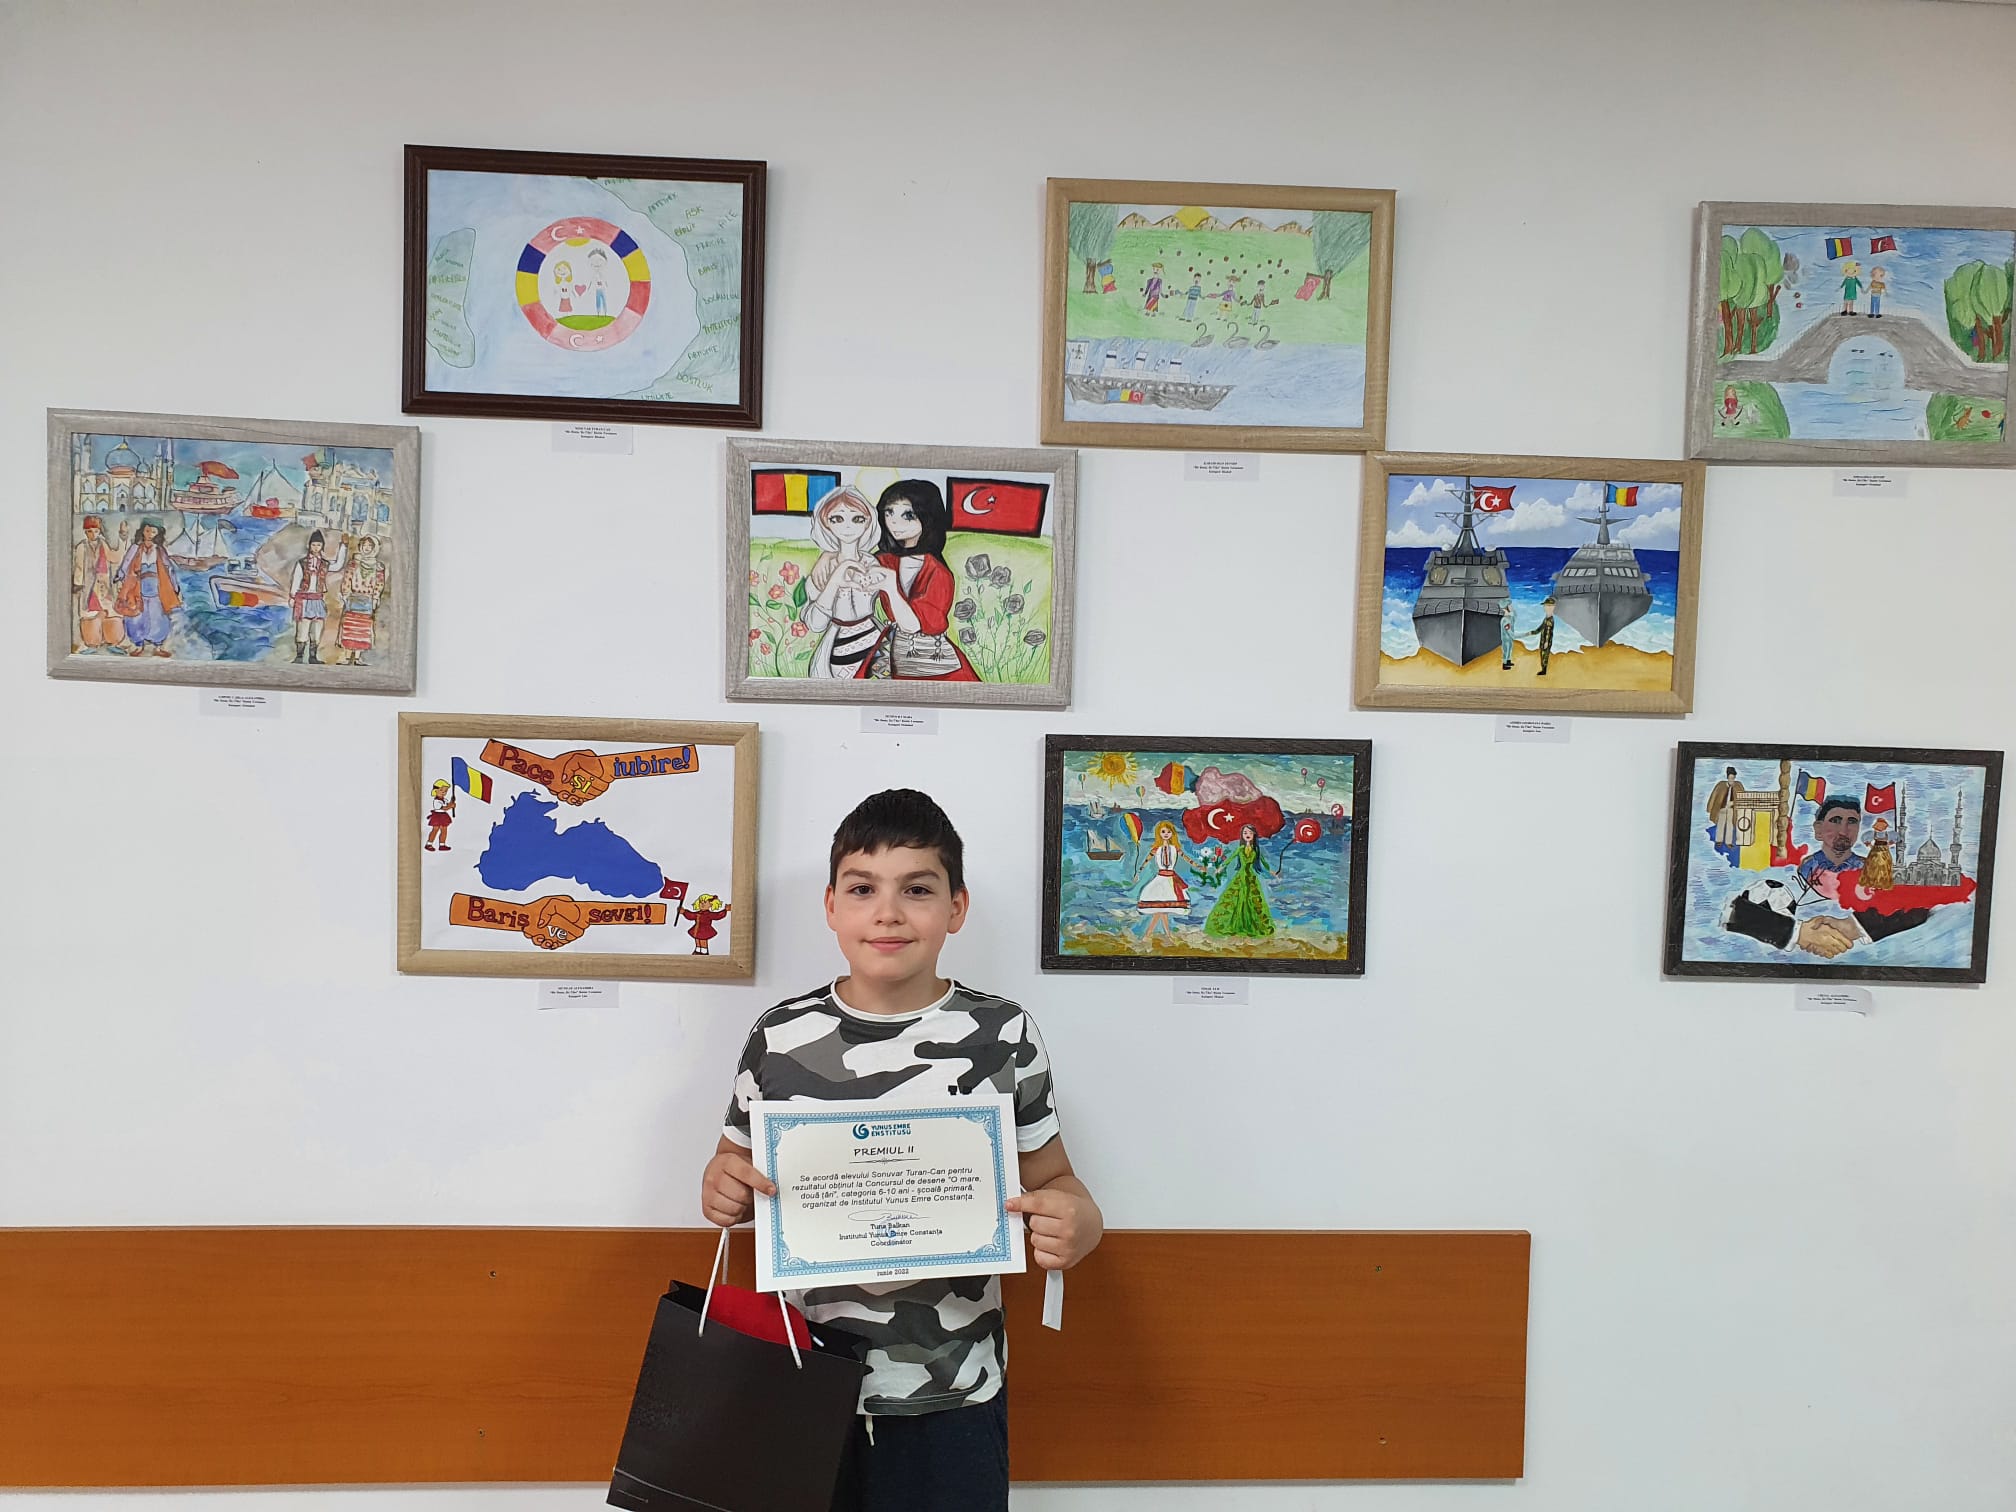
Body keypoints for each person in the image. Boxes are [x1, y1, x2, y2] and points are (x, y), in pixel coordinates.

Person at [700, 790, 1102, 1512]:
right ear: (831, 906)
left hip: (954, 1393)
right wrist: (723, 1192)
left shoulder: (1003, 1034)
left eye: (917, 889)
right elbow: (729, 1170)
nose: (888, 913)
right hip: (799, 1383)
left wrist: (1079, 1223)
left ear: (956, 908)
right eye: (863, 889)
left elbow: (1058, 1180)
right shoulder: (779, 1037)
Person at [858, 480, 979, 682]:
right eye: (889, 513)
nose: (894, 522)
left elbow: (913, 625)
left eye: (908, 515)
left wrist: (890, 587)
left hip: (931, 662)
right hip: (892, 652)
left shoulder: (938, 572)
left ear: (928, 518)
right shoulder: (884, 560)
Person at [801, 485, 884, 678]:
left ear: (868, 522)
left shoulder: (873, 562)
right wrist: (836, 578)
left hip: (875, 641)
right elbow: (815, 624)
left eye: (857, 519)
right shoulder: (823, 568)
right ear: (825, 522)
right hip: (839, 646)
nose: (847, 526)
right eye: (837, 519)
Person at [112, 519, 180, 657]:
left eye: (153, 531)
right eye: (147, 531)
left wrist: (175, 586)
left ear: (157, 534)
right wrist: (119, 576)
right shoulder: (135, 548)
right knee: (136, 617)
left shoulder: (160, 550)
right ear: (142, 531)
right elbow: (126, 563)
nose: (149, 534)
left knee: (158, 617)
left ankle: (158, 646)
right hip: (137, 588)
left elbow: (169, 569)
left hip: (157, 589)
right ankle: (138, 645)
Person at [1204, 821, 1277, 939]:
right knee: (1236, 899)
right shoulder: (1240, 848)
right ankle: (1236, 925)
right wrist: (1221, 867)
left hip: (1250, 878)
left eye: (1250, 833)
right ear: (1242, 835)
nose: (1247, 835)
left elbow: (1263, 862)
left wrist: (1271, 871)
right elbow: (1230, 858)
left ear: (1254, 835)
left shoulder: (1256, 850)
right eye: (1245, 833)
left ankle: (1249, 925)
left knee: (1251, 901)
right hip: (1241, 876)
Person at [287, 529, 348, 664]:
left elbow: (338, 565)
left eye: (318, 545)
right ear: (309, 546)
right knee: (303, 628)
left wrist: (343, 547)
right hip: (304, 599)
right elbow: (296, 579)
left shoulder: (324, 564)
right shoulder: (302, 563)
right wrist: (292, 596)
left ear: (322, 546)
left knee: (317, 628)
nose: (316, 547)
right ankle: (299, 656)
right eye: (313, 545)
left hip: (317, 599)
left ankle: (313, 656)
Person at [72, 514, 125, 652]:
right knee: (90, 613)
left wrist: (123, 538)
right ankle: (92, 644)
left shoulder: (103, 543)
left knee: (110, 612)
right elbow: (79, 567)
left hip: (104, 584)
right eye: (90, 531)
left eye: (96, 531)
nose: (93, 534)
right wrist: (77, 583)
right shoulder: (82, 547)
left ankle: (113, 643)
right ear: (85, 532)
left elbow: (114, 557)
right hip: (89, 585)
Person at [1131, 819, 1190, 940]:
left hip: (1170, 880)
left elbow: (1186, 858)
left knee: (1162, 910)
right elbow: (1147, 860)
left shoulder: (1175, 848)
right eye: (1163, 831)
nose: (1166, 834)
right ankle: (1162, 935)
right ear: (1159, 833)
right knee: (1161, 910)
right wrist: (1139, 872)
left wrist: (1199, 866)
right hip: (1160, 879)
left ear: (1172, 833)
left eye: (1169, 831)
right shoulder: (1156, 849)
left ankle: (1152, 935)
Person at [336, 536, 387, 666]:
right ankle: (347, 657)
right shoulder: (354, 563)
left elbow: (379, 584)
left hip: (367, 601)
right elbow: (347, 579)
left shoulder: (378, 567)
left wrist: (375, 598)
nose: (367, 548)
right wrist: (345, 594)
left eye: (370, 546)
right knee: (350, 628)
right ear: (360, 546)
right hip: (353, 599)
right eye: (365, 545)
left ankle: (357, 657)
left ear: (375, 548)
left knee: (362, 629)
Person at [424, 778, 456, 850]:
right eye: (441, 790)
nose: (443, 792)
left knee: (444, 830)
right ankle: (429, 844)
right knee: (435, 829)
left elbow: (448, 805)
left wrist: (452, 803)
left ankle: (442, 844)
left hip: (443, 816)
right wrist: (450, 806)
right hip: (437, 817)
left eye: (445, 791)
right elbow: (444, 808)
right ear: (435, 791)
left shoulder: (444, 800)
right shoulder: (436, 801)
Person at [1529, 596, 1556, 676]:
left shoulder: (1550, 620)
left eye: (1546, 606)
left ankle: (1544, 670)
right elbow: (1541, 628)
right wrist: (1533, 632)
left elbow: (1548, 632)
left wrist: (1546, 642)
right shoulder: (1546, 618)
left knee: (1545, 655)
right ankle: (1543, 669)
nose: (1544, 607)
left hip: (1546, 641)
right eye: (1545, 606)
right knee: (1542, 654)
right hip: (1543, 640)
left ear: (1551, 607)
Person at [1499, 600, 1516, 670]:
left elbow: (1513, 619)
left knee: (1510, 649)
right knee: (1506, 650)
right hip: (1506, 638)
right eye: (1510, 605)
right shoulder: (1505, 620)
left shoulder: (1509, 617)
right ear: (1506, 608)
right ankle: (1504, 664)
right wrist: (1515, 636)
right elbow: (1509, 630)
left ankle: (1508, 661)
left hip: (1510, 638)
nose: (1512, 607)